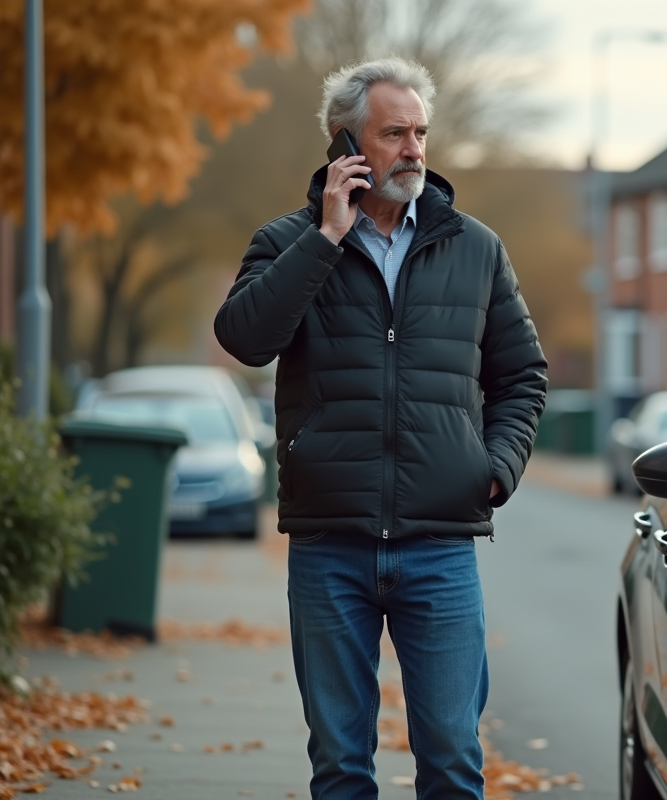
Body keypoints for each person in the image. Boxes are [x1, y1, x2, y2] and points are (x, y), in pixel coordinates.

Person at [213, 57, 547, 800]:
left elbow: (523, 376)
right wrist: (324, 239)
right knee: (339, 765)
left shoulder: (476, 248)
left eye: (421, 132)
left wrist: (493, 467)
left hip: (441, 545)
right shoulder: (287, 243)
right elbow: (244, 338)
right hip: (330, 545)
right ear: (346, 148)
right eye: (394, 133)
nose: (415, 150)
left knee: (455, 760)